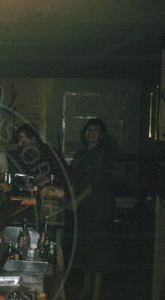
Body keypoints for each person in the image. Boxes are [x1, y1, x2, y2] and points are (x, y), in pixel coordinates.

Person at [66, 118, 116, 300]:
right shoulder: (80, 154)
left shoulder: (103, 154)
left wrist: (76, 201)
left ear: (101, 135)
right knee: (85, 246)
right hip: (82, 204)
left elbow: (96, 183)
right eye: (88, 129)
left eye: (95, 130)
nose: (91, 132)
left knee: (98, 248)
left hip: (98, 204)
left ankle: (96, 292)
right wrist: (71, 199)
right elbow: (73, 178)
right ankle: (86, 288)